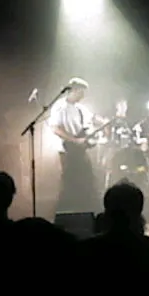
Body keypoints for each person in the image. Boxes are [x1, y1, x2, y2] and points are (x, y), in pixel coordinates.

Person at [49, 78, 96, 209]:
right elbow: (55, 128)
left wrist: (90, 138)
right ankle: (66, 210)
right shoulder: (60, 106)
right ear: (74, 90)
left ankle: (85, 208)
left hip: (80, 150)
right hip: (66, 151)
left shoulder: (81, 109)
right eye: (81, 92)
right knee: (69, 182)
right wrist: (74, 140)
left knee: (87, 179)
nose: (83, 96)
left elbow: (87, 127)